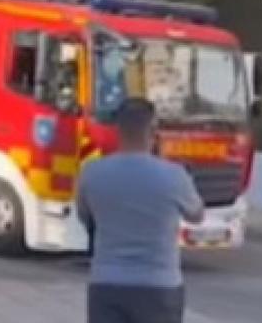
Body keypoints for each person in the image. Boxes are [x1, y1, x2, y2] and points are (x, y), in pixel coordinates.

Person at [77, 98, 204, 323]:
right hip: (159, 287)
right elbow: (196, 215)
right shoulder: (173, 175)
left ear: (117, 129)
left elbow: (85, 216)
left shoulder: (92, 173)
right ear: (154, 131)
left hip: (106, 284)